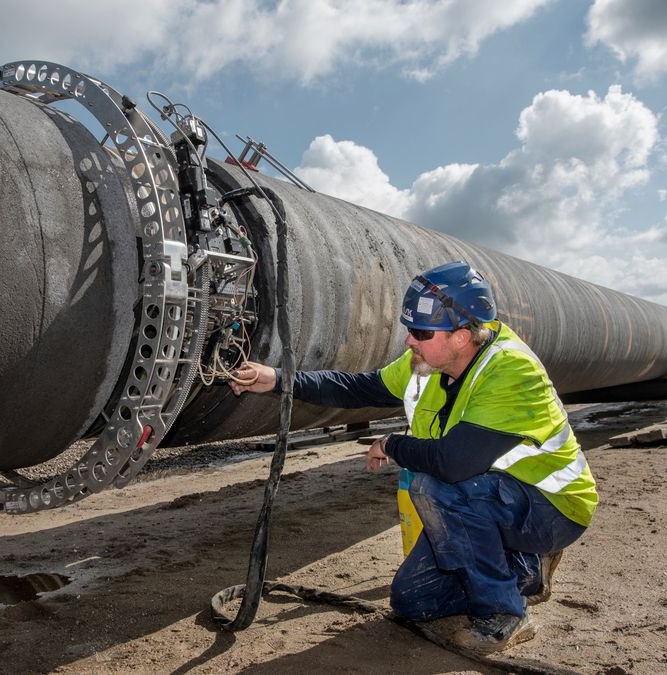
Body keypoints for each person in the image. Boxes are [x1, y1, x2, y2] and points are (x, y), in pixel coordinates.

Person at [230, 261, 597, 652]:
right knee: (414, 602)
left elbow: (452, 464)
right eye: (410, 330)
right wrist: (280, 379)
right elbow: (360, 388)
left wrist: (390, 445)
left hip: (552, 509)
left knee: (436, 484)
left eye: (420, 332)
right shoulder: (429, 362)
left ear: (461, 336)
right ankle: (525, 571)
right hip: (491, 501)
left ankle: (504, 613)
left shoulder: (510, 370)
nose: (409, 341)